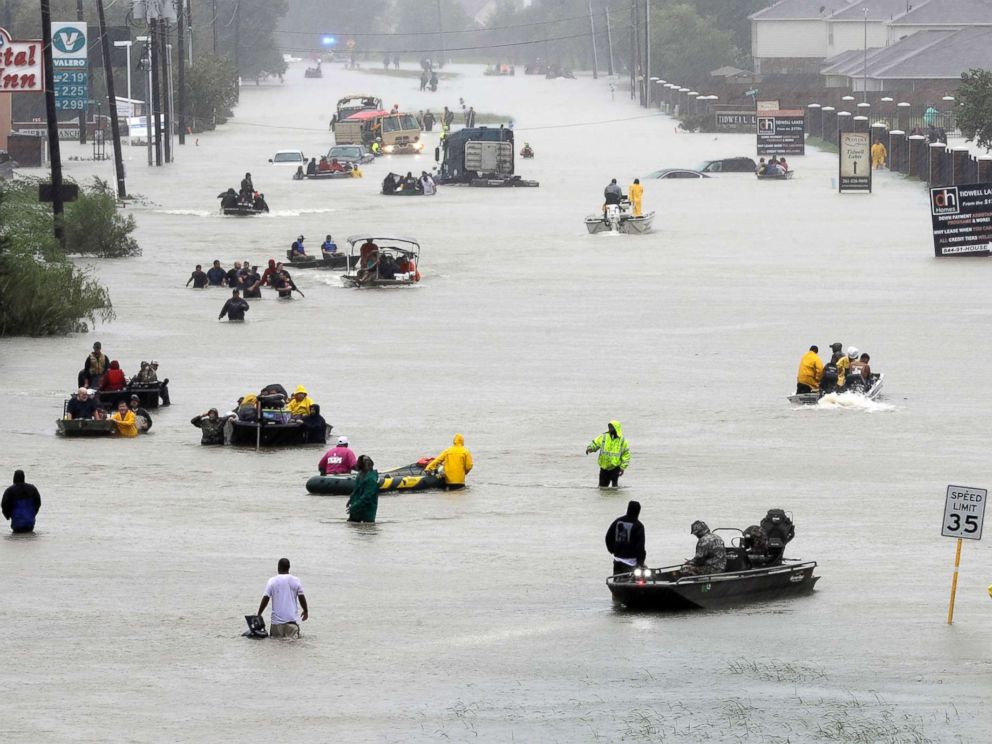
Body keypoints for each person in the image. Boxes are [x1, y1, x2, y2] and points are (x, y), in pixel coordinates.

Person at [257, 558, 308, 639]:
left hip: (276, 624)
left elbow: (265, 598)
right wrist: (305, 610)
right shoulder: (295, 580)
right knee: (293, 647)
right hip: (292, 623)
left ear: (278, 567)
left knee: (276, 647)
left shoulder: (272, 581)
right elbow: (301, 597)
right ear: (289, 567)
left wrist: (259, 614)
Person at [605, 500, 646, 576]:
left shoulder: (617, 521)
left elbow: (608, 537)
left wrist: (612, 551)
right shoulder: (638, 526)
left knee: (617, 579)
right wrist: (641, 563)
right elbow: (640, 546)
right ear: (638, 511)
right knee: (637, 581)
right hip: (631, 562)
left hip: (617, 560)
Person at [586, 420, 630, 487]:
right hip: (604, 467)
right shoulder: (604, 437)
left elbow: (626, 454)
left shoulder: (622, 440)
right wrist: (590, 448)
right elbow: (595, 443)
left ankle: (614, 497)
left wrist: (623, 467)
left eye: (612, 427)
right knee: (602, 487)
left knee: (614, 488)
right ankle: (604, 497)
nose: (610, 429)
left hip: (615, 467)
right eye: (609, 427)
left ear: (616, 428)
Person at [347, 455, 379, 523]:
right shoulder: (360, 474)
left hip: (367, 512)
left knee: (366, 528)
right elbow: (355, 490)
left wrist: (354, 507)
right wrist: (351, 500)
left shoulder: (371, 479)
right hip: (356, 510)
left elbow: (367, 497)